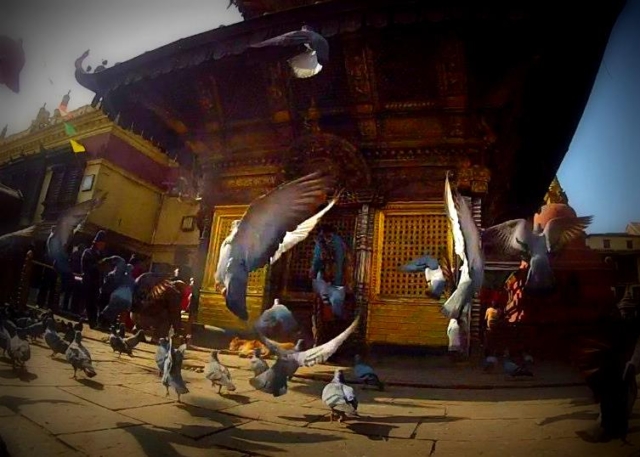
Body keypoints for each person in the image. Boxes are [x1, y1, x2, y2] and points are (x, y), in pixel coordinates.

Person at [309, 224, 350, 320]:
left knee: (326, 299)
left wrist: (314, 272)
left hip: (331, 278)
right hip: (337, 279)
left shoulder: (328, 242)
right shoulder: (339, 242)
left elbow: (317, 260)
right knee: (334, 300)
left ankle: (330, 319)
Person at [81, 230, 106, 329]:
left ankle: (93, 322)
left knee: (94, 303)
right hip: (88, 281)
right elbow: (87, 268)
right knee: (89, 302)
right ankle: (92, 322)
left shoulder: (100, 254)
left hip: (96, 283)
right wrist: (98, 265)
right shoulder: (88, 253)